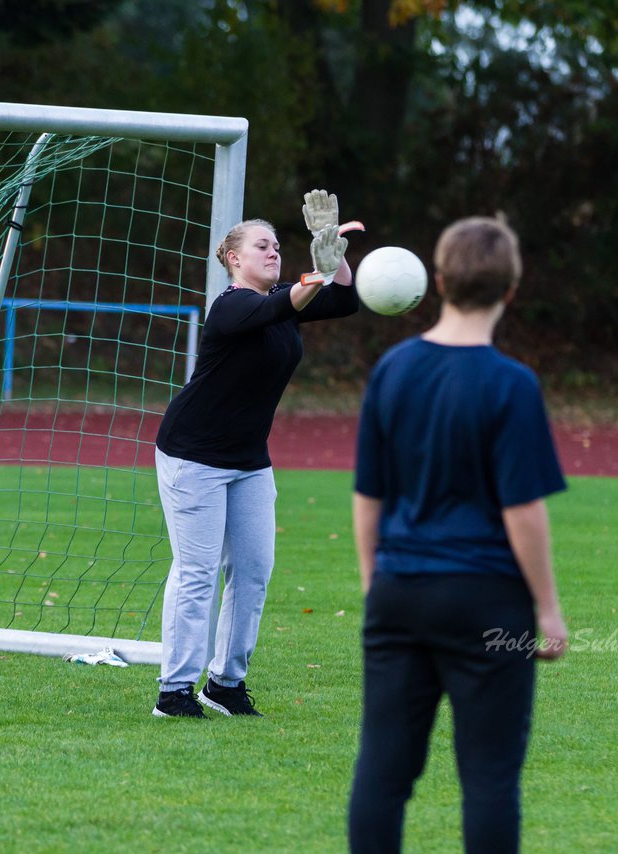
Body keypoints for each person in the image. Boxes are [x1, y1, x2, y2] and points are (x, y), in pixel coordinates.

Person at [348, 215, 568, 852]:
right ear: (511, 291)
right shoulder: (512, 384)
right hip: (488, 604)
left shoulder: (393, 369)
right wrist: (547, 610)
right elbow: (522, 511)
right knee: (490, 777)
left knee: (384, 773)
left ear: (439, 281)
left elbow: (369, 495)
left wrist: (375, 583)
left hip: (400, 592)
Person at [152, 190, 360, 719]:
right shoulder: (232, 306)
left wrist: (329, 250)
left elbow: (343, 300)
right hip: (193, 457)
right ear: (233, 259)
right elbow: (274, 305)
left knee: (253, 572)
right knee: (197, 572)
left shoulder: (290, 301)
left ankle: (225, 685)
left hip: (247, 461)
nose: (273, 253)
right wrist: (316, 273)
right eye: (261, 246)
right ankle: (174, 693)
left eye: (276, 246)